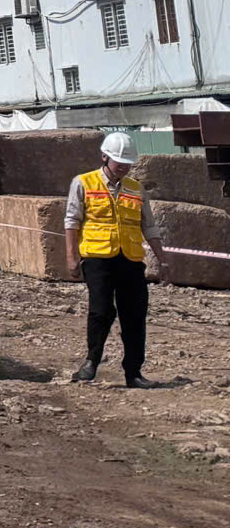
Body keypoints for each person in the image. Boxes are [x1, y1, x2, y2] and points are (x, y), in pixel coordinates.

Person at [66, 130, 163, 388]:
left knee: (134, 314)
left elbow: (149, 226)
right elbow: (72, 222)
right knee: (101, 311)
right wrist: (71, 258)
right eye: (119, 163)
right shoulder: (84, 182)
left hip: (130, 259)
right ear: (104, 157)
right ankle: (91, 363)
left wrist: (161, 257)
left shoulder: (136, 188)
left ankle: (133, 372)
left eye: (127, 164)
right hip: (97, 258)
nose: (123, 167)